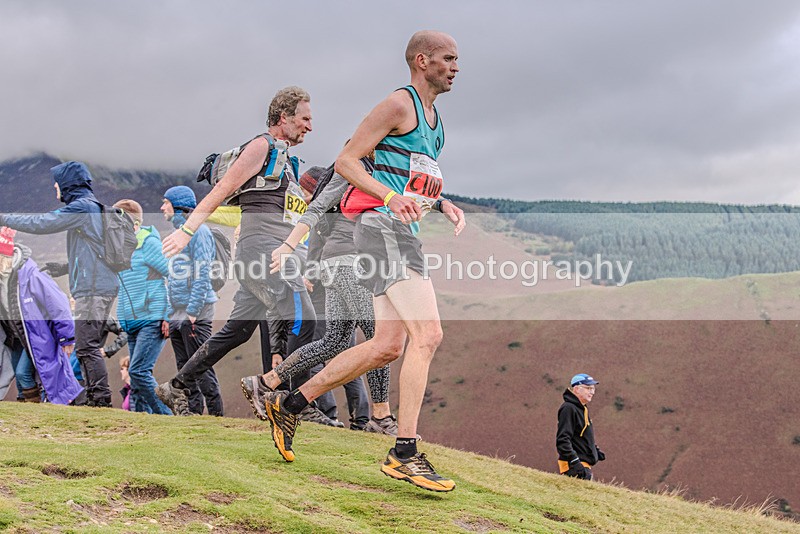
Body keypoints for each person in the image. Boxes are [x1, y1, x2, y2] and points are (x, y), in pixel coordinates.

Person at [260, 31, 465, 493]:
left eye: (457, 60)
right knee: (428, 335)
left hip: (399, 232)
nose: (456, 67)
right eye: (449, 59)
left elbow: (414, 181)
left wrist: (442, 203)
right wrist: (390, 198)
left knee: (387, 346)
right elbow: (347, 161)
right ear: (422, 59)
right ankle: (405, 452)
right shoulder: (398, 104)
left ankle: (289, 404)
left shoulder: (436, 121)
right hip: (382, 230)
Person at [155, 86, 317, 418]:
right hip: (263, 254)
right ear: (284, 117)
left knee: (238, 331)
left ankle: (177, 386)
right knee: (305, 321)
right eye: (305, 118)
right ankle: (289, 401)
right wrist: (187, 231)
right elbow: (224, 189)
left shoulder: (288, 161)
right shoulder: (262, 146)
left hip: (272, 254)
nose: (309, 126)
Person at [243, 159, 397, 434]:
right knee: (379, 341)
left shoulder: (359, 174)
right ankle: (381, 418)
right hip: (352, 263)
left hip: (337, 264)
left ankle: (266, 383)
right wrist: (290, 246)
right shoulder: (361, 171)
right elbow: (318, 210)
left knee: (334, 341)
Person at [0, 161, 118, 407]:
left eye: (58, 183)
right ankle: (96, 400)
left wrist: (4, 219)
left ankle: (100, 402)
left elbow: (43, 223)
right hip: (97, 285)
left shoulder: (82, 208)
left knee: (86, 348)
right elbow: (93, 253)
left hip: (93, 288)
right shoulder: (91, 208)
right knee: (86, 347)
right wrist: (63, 267)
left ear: (67, 184)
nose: (55, 187)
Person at [159, 186, 223, 416]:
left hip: (195, 310)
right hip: (177, 312)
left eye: (165, 202)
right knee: (184, 367)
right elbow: (173, 278)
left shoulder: (199, 233)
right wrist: (169, 313)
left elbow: (202, 271)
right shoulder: (178, 237)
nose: (162, 207)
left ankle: (217, 417)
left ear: (177, 205)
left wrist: (194, 309)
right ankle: (193, 415)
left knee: (201, 366)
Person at [0, 227, 82, 405]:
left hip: (37, 335)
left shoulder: (30, 275)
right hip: (16, 337)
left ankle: (35, 407)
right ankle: (27, 410)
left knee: (23, 373)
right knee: (19, 375)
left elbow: (57, 303)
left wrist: (67, 336)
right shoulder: (3, 279)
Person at [113, 199, 173, 415]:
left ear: (133, 224)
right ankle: (142, 421)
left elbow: (172, 275)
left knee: (138, 371)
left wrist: (167, 314)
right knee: (136, 379)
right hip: (131, 320)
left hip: (152, 318)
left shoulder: (148, 243)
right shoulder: (119, 248)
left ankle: (167, 416)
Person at [556, 373, 606, 481]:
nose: (592, 392)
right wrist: (575, 462)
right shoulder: (569, 408)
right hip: (574, 467)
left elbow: (580, 435)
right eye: (588, 388)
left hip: (583, 465)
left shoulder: (582, 409)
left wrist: (594, 450)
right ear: (577, 389)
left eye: (593, 388)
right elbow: (563, 439)